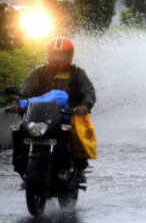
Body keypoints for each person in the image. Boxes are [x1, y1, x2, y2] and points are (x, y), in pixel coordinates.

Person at [8, 36, 96, 180]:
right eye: (55, 54)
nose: (58, 58)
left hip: (67, 114)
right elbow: (25, 91)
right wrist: (17, 104)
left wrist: (84, 106)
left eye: (62, 54)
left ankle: (79, 168)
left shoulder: (77, 73)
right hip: (38, 115)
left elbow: (89, 92)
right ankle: (21, 167)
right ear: (49, 54)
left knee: (77, 132)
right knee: (19, 131)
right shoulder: (39, 72)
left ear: (70, 55)